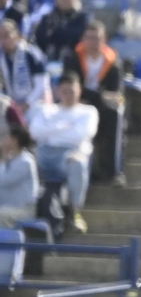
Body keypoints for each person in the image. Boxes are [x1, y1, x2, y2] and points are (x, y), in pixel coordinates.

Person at [27, 70, 96, 231]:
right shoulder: (45, 110)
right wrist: (64, 128)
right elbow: (35, 132)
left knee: (78, 163)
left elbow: (79, 135)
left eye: (72, 91)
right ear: (58, 91)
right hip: (43, 154)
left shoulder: (88, 112)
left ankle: (74, 211)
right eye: (64, 91)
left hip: (69, 155)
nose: (68, 95)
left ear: (79, 90)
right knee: (24, 159)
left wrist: (51, 131)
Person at [61, 16, 122, 184]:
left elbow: (115, 92)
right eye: (89, 37)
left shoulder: (113, 62)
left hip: (100, 106)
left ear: (104, 40)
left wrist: (99, 96)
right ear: (83, 39)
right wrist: (98, 95)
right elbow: (70, 83)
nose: (93, 42)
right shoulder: (73, 58)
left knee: (114, 114)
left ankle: (113, 172)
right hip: (77, 102)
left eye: (97, 38)